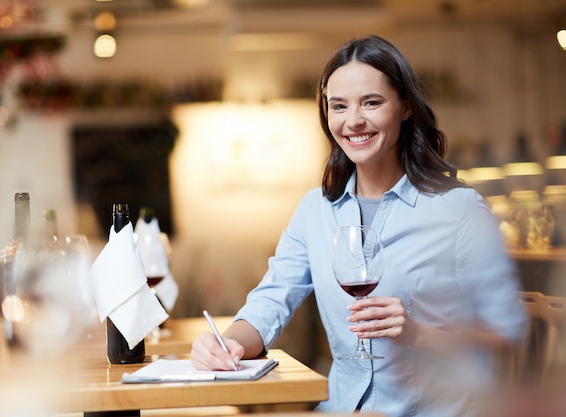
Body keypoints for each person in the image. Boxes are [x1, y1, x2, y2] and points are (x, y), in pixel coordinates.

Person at [191, 35, 527, 417]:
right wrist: (228, 343)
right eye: (339, 106)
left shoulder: (459, 210)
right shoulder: (314, 210)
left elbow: (504, 341)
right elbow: (270, 302)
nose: (354, 121)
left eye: (371, 102)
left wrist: (416, 333)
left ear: (404, 107)